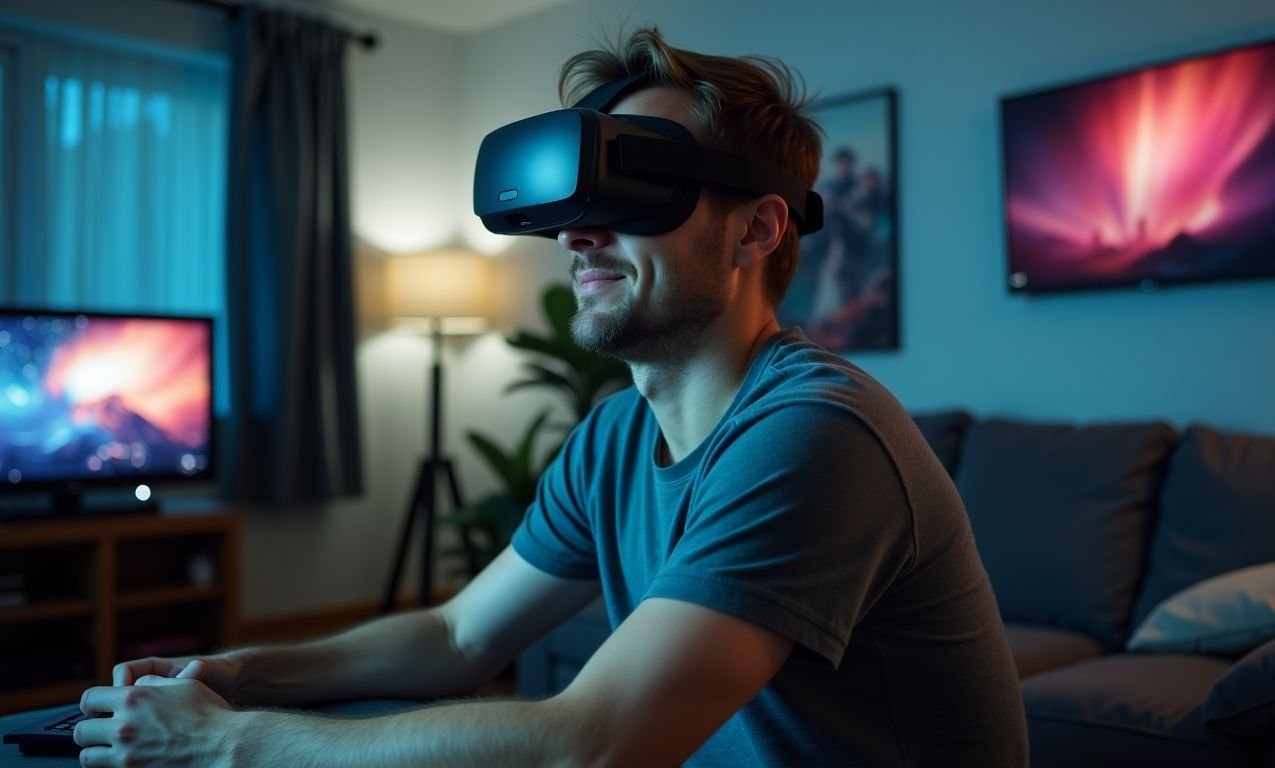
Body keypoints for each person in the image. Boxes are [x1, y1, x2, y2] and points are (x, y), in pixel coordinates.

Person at [74, 27, 1028, 767]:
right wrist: (239, 677)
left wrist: (227, 746)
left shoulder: (815, 434)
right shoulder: (617, 435)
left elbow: (594, 744)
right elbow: (458, 635)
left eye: (634, 190)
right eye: (574, 207)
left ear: (757, 231)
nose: (578, 237)